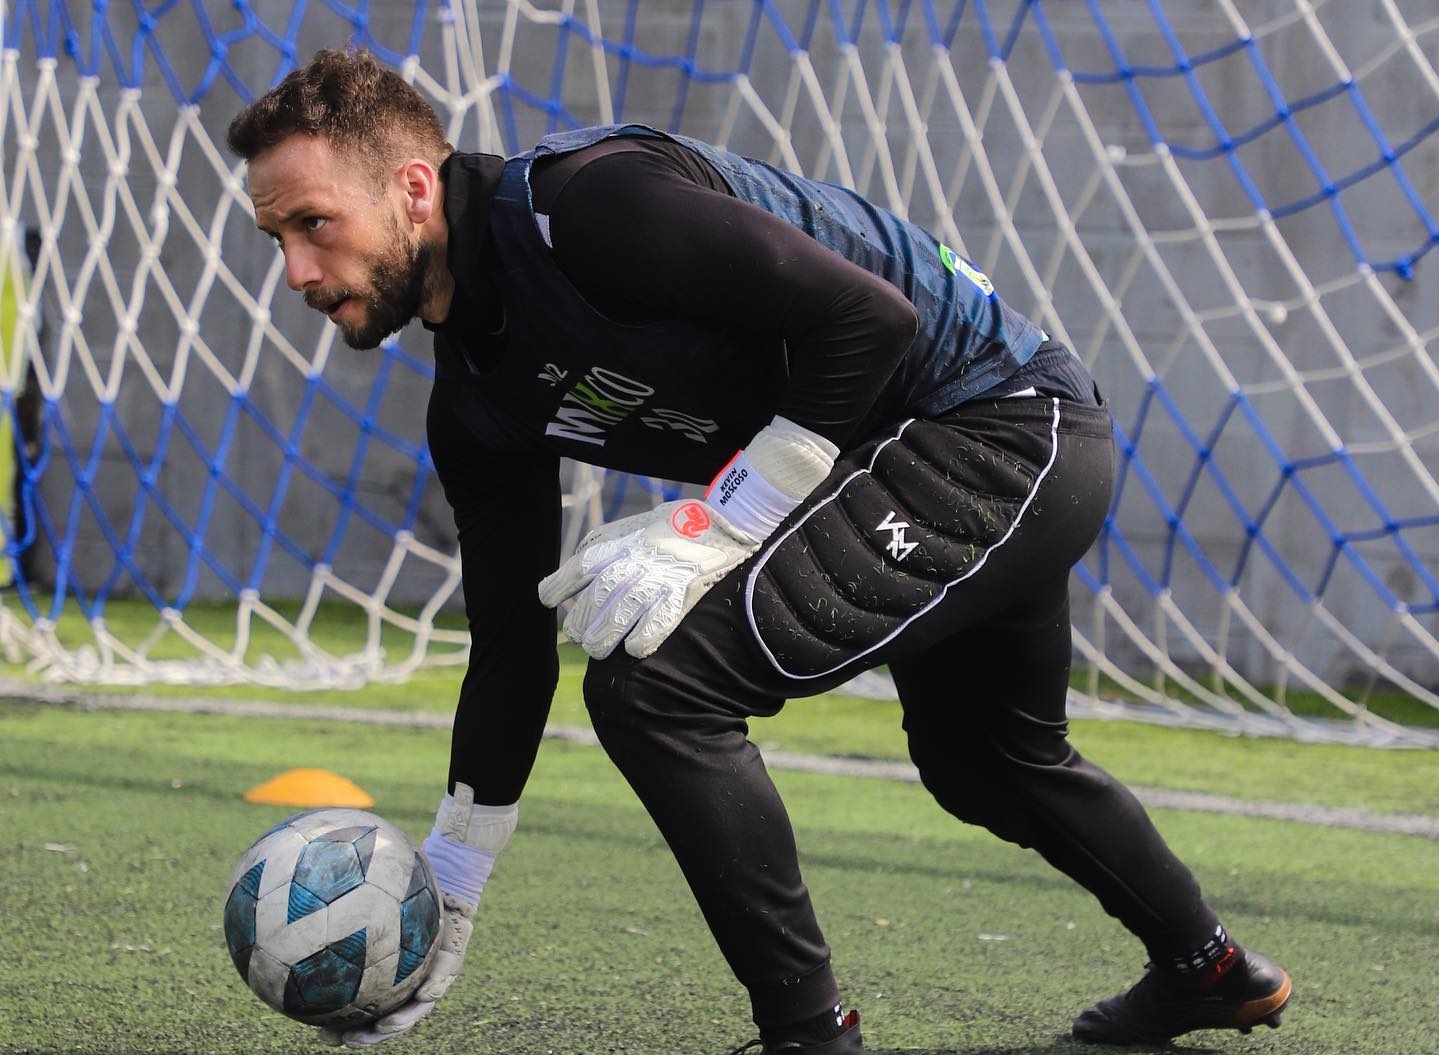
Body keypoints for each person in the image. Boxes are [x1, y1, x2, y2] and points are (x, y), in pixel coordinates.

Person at [226, 47, 1292, 1053]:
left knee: (655, 686)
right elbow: (509, 645)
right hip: (901, 462)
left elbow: (861, 317)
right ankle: (1207, 967)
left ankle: (808, 1031)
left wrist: (727, 516)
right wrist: (452, 880)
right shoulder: (474, 404)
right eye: (277, 239)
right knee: (984, 763)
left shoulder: (584, 209)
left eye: (314, 224)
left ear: (413, 190)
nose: (297, 270)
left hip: (1003, 425)